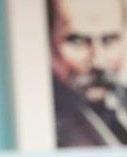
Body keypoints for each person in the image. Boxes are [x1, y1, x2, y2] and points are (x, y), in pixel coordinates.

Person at [48, 0, 127, 147]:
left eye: (109, 39)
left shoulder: (122, 97)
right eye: (77, 41)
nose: (98, 61)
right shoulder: (43, 120)